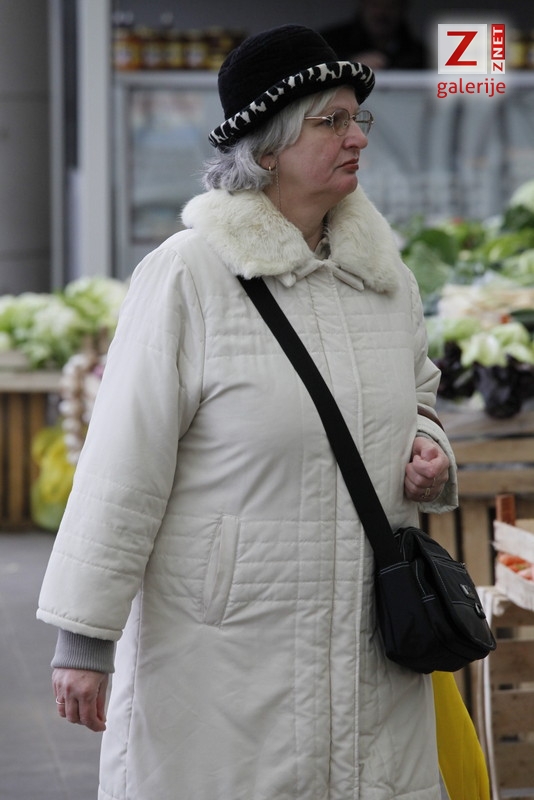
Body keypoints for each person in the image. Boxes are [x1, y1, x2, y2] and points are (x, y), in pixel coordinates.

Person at [37, 24, 458, 800]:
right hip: (224, 655)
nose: (357, 137)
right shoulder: (188, 274)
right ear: (267, 150)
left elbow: (419, 393)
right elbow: (123, 460)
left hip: (371, 650)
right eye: (331, 121)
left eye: (358, 118)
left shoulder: (384, 277)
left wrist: (428, 447)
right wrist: (85, 638)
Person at [321, 0, 428, 70]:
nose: (381, 13)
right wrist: (349, 67)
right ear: (363, 6)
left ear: (402, 10)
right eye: (375, 5)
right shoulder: (330, 42)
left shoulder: (417, 52)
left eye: (391, 6)